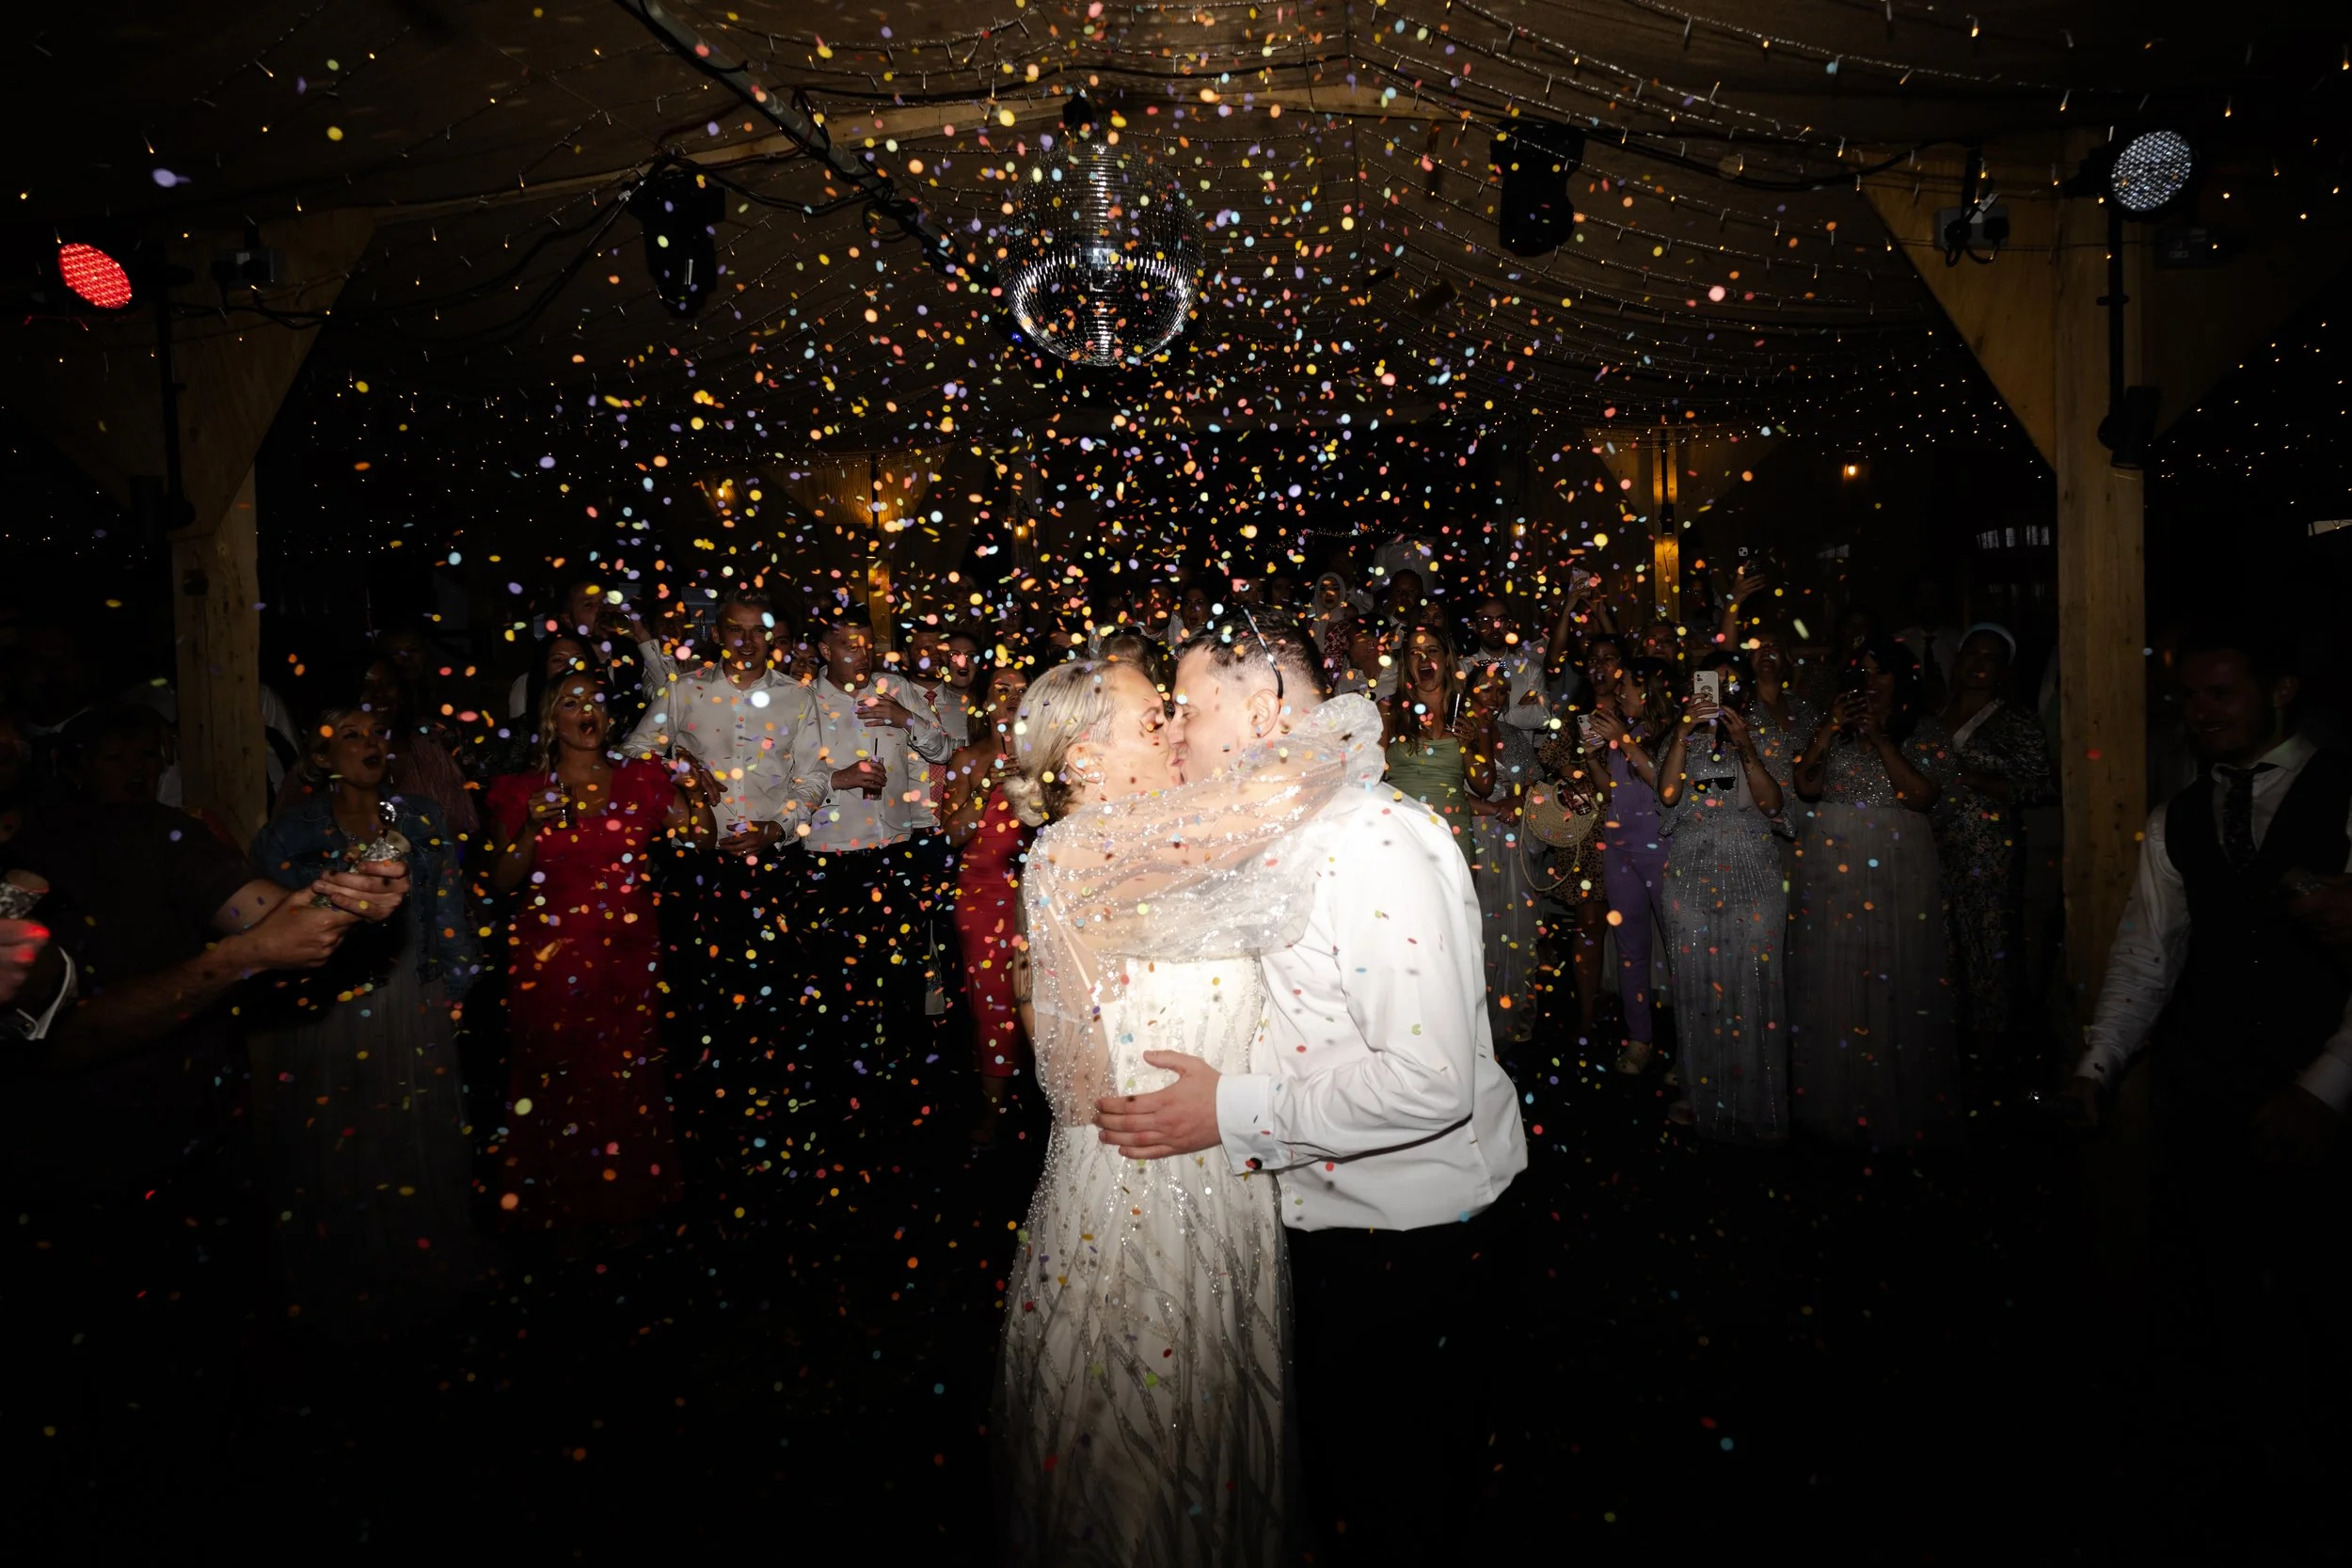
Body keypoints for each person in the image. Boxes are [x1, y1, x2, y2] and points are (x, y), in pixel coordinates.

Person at [1094, 613, 1529, 1560]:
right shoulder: (1275, 830)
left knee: (1399, 1505)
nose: (1175, 731)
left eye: (1189, 708)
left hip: (1408, 1241)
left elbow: (1428, 1082)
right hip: (1322, 1222)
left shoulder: (1370, 841)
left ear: (1260, 710)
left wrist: (1228, 1109)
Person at [993, 652, 1384, 1565]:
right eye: (1151, 720)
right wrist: (1311, 709)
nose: (1173, 730)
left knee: (1214, 1426)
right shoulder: (1078, 847)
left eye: (1174, 714)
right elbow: (1079, 1086)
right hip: (1138, 1192)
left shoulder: (1163, 846)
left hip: (1222, 1171)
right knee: (1141, 1446)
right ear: (1083, 758)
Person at [2066, 627, 2352, 1463]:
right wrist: (2097, 1067)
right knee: (2221, 1300)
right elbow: (2147, 954)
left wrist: (2326, 1086)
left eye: (2221, 694)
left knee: (2325, 1298)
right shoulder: (2178, 817)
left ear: (2281, 690)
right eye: (2189, 698)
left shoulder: (2342, 791)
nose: (2201, 713)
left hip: (2325, 1088)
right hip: (2211, 1088)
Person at [248, 705, 490, 1334]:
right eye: (348, 736)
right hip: (330, 1001)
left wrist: (458, 987)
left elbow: (447, 906)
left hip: (411, 992)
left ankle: (420, 1292)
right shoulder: (289, 835)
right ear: (320, 758)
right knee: (340, 1135)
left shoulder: (421, 816)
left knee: (414, 1133)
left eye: (376, 732)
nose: (369, 744)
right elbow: (274, 930)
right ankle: (345, 1295)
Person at [485, 673, 713, 1242]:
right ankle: (558, 1212)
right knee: (559, 1078)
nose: (587, 711)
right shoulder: (519, 790)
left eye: (596, 703)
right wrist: (532, 827)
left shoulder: (641, 779)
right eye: (571, 702)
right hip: (551, 958)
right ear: (550, 719)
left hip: (628, 956)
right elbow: (498, 879)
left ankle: (627, 1206)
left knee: (626, 1075)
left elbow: (700, 839)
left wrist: (695, 787)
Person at [1787, 637, 1959, 1149]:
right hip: (1833, 859)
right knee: (1835, 968)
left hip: (1895, 862)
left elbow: (1922, 796)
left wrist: (1882, 740)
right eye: (1862, 671)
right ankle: (1839, 1098)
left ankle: (1892, 1100)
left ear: (1901, 679)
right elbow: (1806, 785)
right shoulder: (1834, 730)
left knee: (1892, 969)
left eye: (1881, 672)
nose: (1870, 681)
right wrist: (1826, 729)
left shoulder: (1924, 732)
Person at [1654, 654, 1792, 1141]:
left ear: (1747, 694)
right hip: (1690, 872)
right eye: (1712, 685)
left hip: (1753, 871)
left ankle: (1756, 1099)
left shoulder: (1767, 736)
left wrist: (1746, 747)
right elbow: (1668, 795)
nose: (1721, 694)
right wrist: (1679, 734)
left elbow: (1774, 804)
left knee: (1752, 985)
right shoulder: (1683, 741)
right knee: (1697, 986)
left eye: (1732, 686)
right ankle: (1702, 1092)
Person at [1931, 624, 2053, 1077]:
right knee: (1941, 944)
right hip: (1932, 842)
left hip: (1986, 849)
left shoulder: (2015, 720)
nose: (1978, 664)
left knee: (1986, 945)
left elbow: (2039, 783)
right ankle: (1948, 1050)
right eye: (1971, 654)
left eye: (1991, 658)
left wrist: (1974, 780)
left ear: (2003, 670)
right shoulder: (1933, 712)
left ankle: (1992, 1061)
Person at [940, 662, 1030, 1145]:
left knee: (1042, 1000)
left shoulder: (1050, 755)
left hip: (1041, 895)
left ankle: (1044, 1102)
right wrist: (986, 784)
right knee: (993, 1006)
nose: (1013, 696)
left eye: (1021, 689)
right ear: (985, 699)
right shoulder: (968, 758)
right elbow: (954, 835)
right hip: (982, 896)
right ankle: (994, 1112)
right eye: (1002, 688)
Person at [1588, 658, 1678, 1073]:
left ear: (1652, 692)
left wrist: (1623, 739)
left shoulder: (1679, 733)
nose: (1619, 693)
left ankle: (1691, 1047)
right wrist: (1592, 756)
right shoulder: (1624, 733)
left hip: (1662, 848)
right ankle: (1639, 1039)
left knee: (1681, 951)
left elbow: (1664, 785)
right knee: (1630, 950)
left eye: (1627, 687)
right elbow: (1612, 790)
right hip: (1619, 850)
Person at [1381, 622, 1492, 862]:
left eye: (1432, 650)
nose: (1423, 658)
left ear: (1447, 658)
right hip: (1401, 834)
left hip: (1451, 835)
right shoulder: (1389, 709)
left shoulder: (1472, 711)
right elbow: (1370, 776)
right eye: (1414, 652)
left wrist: (1466, 746)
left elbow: (1485, 786)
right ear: (1406, 663)